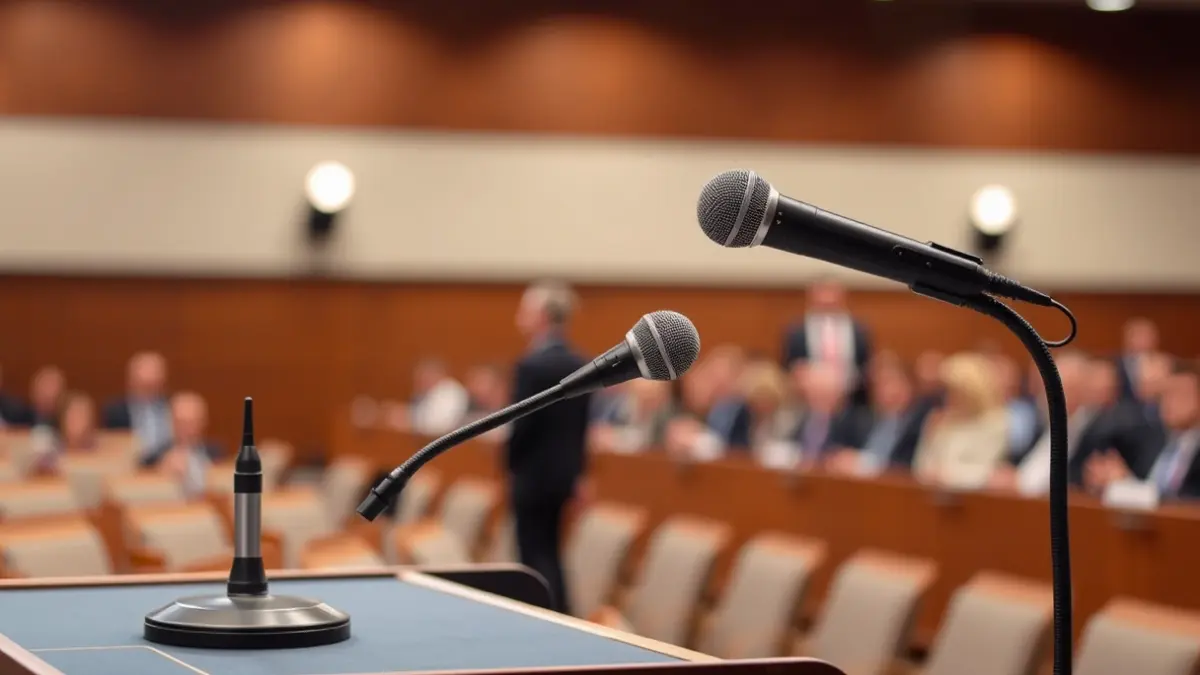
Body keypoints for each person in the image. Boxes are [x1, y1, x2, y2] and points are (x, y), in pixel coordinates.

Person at [506, 281, 590, 614]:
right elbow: (582, 429)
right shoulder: (580, 363)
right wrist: (579, 474)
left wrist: (509, 465)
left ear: (542, 315)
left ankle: (541, 613)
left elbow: (521, 426)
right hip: (563, 477)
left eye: (525, 310)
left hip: (532, 475)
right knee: (553, 551)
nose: (519, 317)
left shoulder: (532, 365)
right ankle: (561, 611)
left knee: (533, 555)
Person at [1085, 363, 1200, 501]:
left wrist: (1126, 485)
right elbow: (1141, 483)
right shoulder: (1153, 440)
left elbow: (1186, 503)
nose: (1169, 402)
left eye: (1179, 395)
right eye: (1165, 395)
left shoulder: (1194, 451)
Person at [913, 352, 1009, 489]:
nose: (949, 398)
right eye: (947, 391)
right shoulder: (942, 421)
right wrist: (928, 435)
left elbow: (988, 474)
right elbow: (921, 469)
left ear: (971, 392)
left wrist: (946, 475)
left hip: (976, 497)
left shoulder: (996, 422)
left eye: (955, 392)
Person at [826, 358, 927, 476]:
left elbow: (910, 467)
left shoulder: (920, 423)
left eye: (893, 383)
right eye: (881, 385)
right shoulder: (864, 419)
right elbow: (837, 448)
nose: (887, 391)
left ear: (910, 386)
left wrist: (864, 464)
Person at [781, 278, 872, 403]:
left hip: (852, 399)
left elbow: (866, 365)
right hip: (807, 400)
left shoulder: (859, 330)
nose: (827, 299)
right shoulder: (796, 331)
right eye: (823, 293)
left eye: (831, 293)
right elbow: (788, 367)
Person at [142, 392, 222, 497]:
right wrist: (160, 473)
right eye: (181, 423)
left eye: (193, 422)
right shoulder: (154, 458)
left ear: (204, 422)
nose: (187, 429)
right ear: (171, 422)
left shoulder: (218, 453)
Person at [102, 351, 173, 460]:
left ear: (163, 382)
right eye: (143, 386)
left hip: (167, 464)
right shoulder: (115, 411)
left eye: (152, 385)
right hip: (127, 464)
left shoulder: (174, 407)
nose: (148, 390)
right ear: (131, 382)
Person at [589, 378, 676, 455]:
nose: (646, 403)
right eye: (642, 396)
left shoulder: (666, 418)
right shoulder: (618, 408)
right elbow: (600, 433)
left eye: (651, 398)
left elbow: (652, 445)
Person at [407, 359, 470, 436]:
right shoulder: (426, 392)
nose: (420, 382)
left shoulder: (450, 391)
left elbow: (440, 426)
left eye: (424, 377)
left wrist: (409, 423)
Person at [1116, 318, 1160, 401]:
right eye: (1139, 335)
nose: (1143, 340)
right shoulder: (1114, 364)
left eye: (1147, 336)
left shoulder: (1166, 364)